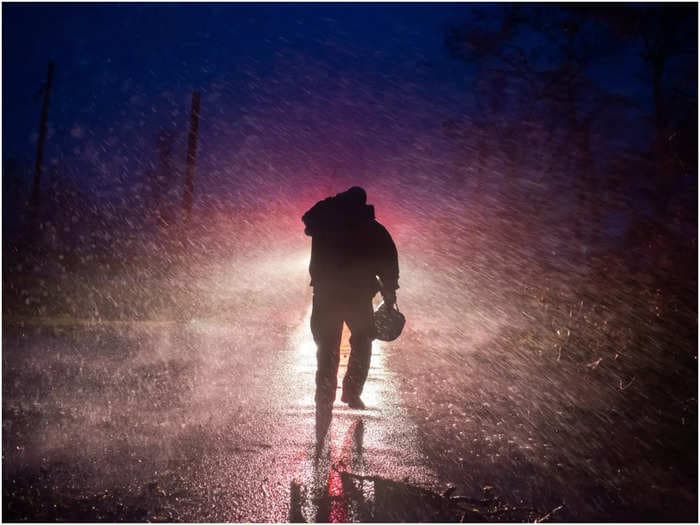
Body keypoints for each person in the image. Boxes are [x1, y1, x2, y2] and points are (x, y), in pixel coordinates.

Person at [302, 186, 399, 413]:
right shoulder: (372, 228)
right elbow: (388, 261)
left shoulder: (324, 224)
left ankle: (324, 395)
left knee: (327, 346)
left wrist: (332, 200)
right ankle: (352, 392)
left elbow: (307, 218)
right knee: (362, 344)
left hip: (327, 296)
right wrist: (389, 290)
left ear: (341, 200)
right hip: (358, 296)